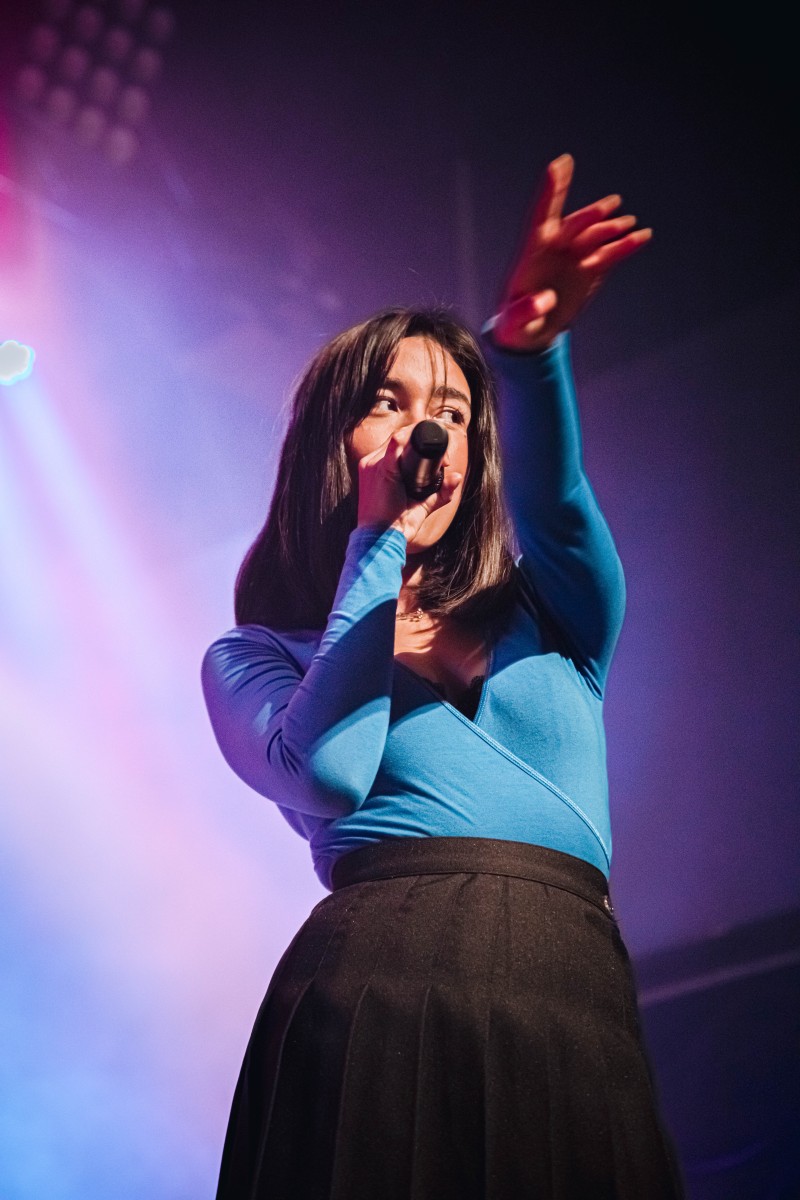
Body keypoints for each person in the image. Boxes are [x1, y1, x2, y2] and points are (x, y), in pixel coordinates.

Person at [202, 154, 685, 1199]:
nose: (429, 430)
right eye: (391, 402)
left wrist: (530, 349)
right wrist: (377, 544)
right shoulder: (257, 656)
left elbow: (558, 501)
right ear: (333, 441)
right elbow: (331, 772)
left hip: (569, 995)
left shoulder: (554, 606)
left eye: (457, 412)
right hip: (375, 995)